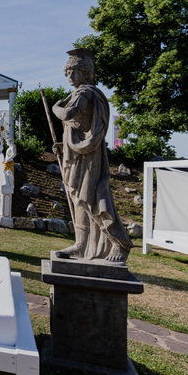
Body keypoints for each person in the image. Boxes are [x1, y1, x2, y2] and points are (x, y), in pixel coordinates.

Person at [52, 48, 133, 262]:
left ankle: (119, 244)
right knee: (80, 199)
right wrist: (63, 146)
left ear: (87, 73)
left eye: (75, 71)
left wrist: (55, 108)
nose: (70, 75)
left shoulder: (85, 93)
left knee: (94, 198)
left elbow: (68, 114)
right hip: (78, 153)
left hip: (88, 156)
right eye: (67, 72)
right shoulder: (79, 93)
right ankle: (81, 244)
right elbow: (80, 127)